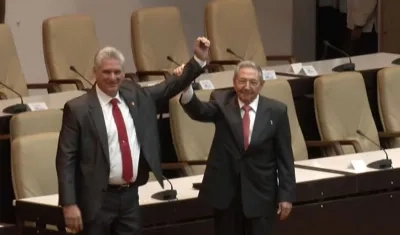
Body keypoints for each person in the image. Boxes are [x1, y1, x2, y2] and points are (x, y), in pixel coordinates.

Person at [56, 37, 210, 235]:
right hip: (95, 200)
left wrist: (197, 60)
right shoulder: (78, 109)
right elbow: (65, 159)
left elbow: (168, 87)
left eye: (117, 72)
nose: (112, 77)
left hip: (129, 198)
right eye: (106, 72)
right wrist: (69, 203)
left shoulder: (134, 95)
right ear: (94, 73)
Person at [179, 61, 296, 235]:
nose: (247, 87)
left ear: (261, 85)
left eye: (253, 82)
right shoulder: (221, 103)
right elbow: (199, 110)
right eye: (242, 81)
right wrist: (186, 84)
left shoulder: (277, 111)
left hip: (261, 195)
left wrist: (286, 195)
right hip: (227, 196)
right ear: (234, 82)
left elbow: (285, 157)